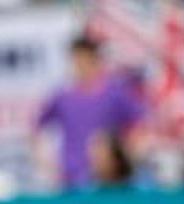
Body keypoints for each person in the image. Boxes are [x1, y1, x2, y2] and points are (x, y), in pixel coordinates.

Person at [36, 37, 146, 191]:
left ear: (95, 60)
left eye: (83, 59)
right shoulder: (63, 96)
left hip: (109, 184)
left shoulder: (115, 93)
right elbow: (37, 128)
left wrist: (124, 159)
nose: (79, 65)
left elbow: (141, 125)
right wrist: (48, 165)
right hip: (71, 181)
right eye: (75, 60)